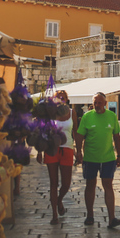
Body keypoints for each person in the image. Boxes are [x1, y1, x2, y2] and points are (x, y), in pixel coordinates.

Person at [74, 92, 120, 228]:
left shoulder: (112, 116)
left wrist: (119, 155)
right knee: (90, 185)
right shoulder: (87, 117)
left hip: (108, 158)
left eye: (99, 102)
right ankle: (90, 215)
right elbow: (79, 136)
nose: (96, 105)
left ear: (105, 103)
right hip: (91, 158)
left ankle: (112, 218)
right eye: (95, 102)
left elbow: (117, 137)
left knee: (108, 186)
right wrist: (78, 152)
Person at [36, 90, 78, 225]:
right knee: (53, 183)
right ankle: (54, 214)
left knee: (66, 184)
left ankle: (59, 200)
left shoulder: (72, 113)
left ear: (67, 99)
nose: (61, 99)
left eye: (63, 97)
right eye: (58, 97)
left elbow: (75, 132)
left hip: (67, 148)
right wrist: (39, 151)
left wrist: (79, 150)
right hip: (51, 149)